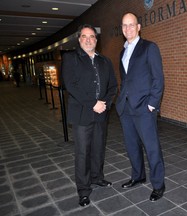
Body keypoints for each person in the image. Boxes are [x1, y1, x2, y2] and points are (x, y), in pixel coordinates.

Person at [61, 24, 117, 207]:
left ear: (96, 39)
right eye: (84, 36)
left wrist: (105, 104)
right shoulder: (71, 58)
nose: (88, 39)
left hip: (101, 113)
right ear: (79, 39)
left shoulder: (105, 61)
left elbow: (112, 86)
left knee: (98, 149)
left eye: (92, 36)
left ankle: (97, 177)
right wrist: (93, 103)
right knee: (83, 153)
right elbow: (71, 85)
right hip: (82, 114)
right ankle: (83, 190)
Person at [116, 12, 165, 202]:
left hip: (144, 108)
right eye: (124, 25)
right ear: (122, 29)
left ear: (138, 27)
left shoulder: (149, 48)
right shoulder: (123, 51)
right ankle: (138, 176)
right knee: (132, 146)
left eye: (131, 25)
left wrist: (152, 104)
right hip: (126, 108)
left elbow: (158, 79)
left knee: (152, 148)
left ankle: (158, 185)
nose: (128, 28)